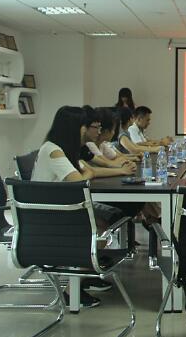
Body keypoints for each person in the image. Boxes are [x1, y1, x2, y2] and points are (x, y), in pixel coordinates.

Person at [31, 106, 128, 308]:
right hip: (47, 218)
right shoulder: (53, 151)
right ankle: (71, 291)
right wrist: (88, 174)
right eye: (85, 126)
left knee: (102, 225)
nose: (89, 132)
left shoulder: (63, 149)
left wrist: (121, 171)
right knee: (98, 229)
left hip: (59, 210)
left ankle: (85, 275)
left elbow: (91, 172)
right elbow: (79, 181)